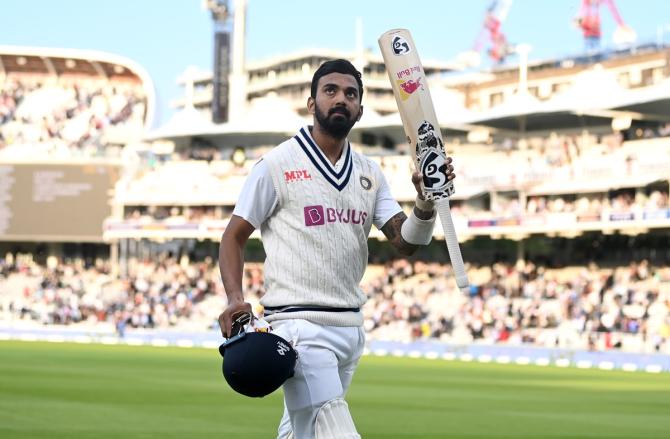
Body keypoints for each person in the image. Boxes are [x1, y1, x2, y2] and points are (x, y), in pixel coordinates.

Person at [218, 59, 455, 439]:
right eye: (330, 91)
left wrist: (425, 202)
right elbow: (233, 236)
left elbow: (406, 241)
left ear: (360, 109)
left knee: (301, 431)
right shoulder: (277, 165)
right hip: (298, 324)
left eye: (350, 94)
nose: (341, 99)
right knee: (336, 429)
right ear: (311, 103)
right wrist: (234, 298)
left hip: (350, 327)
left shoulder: (368, 172)